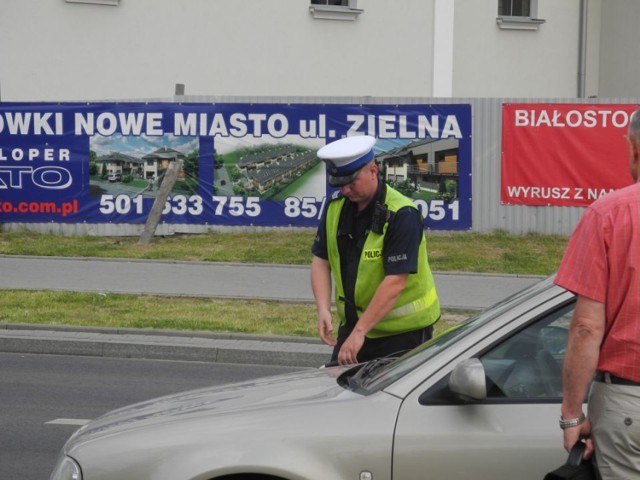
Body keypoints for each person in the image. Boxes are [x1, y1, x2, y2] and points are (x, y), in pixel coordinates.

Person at [554, 107, 640, 479]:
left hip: (628, 406)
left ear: (633, 148)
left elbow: (587, 327)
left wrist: (572, 415)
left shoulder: (609, 214)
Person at [310, 135, 441, 366]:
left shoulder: (403, 214)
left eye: (352, 182)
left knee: (390, 401)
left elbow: (395, 282)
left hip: (402, 336)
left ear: (373, 170)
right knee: (339, 394)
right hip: (354, 329)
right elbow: (321, 259)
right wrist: (323, 308)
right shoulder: (335, 208)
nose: (346, 190)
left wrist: (359, 333)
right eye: (340, 184)